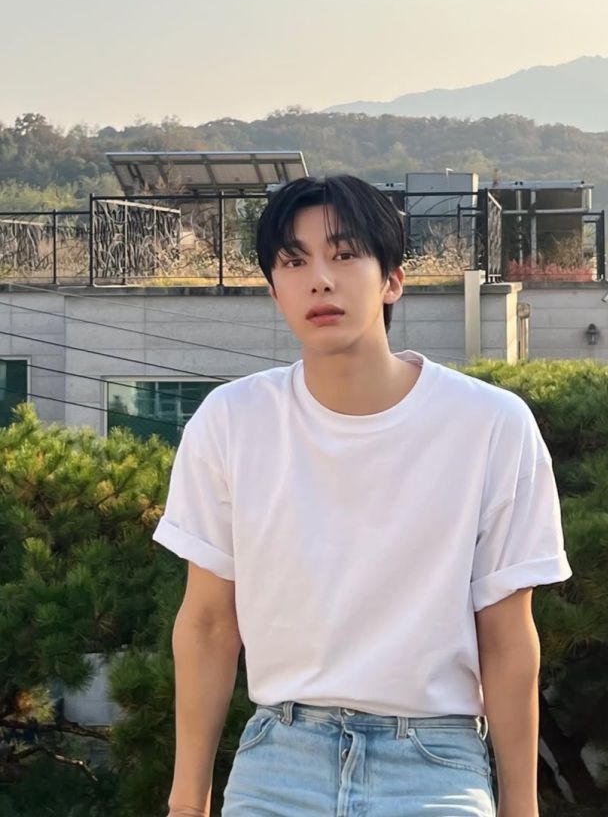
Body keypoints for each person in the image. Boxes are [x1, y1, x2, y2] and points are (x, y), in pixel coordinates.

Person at [152, 174, 572, 817]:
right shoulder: (231, 420)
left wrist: (522, 808)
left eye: (345, 254)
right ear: (274, 289)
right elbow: (209, 624)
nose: (320, 279)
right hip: (278, 758)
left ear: (392, 280)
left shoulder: (490, 423)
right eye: (294, 261)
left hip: (434, 764)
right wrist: (188, 803)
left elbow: (508, 636)